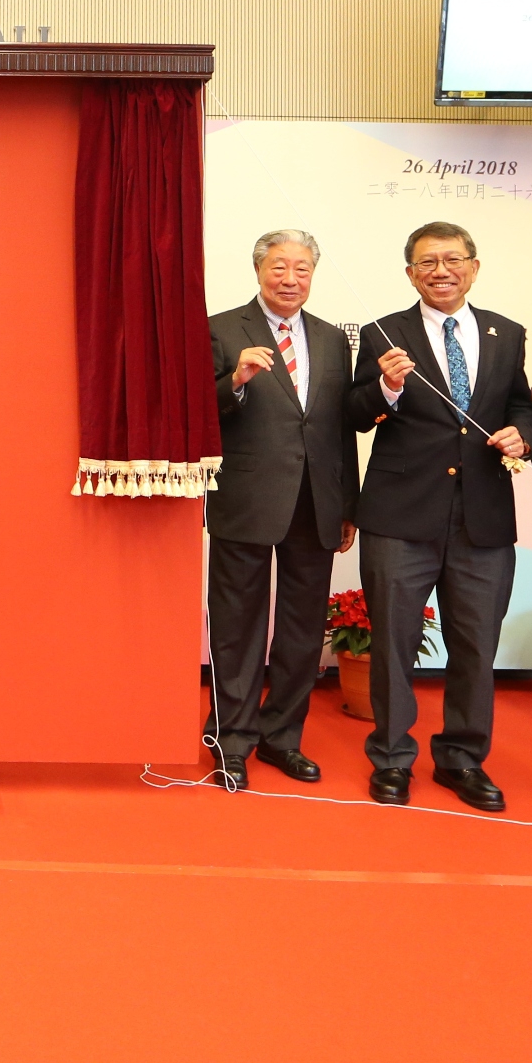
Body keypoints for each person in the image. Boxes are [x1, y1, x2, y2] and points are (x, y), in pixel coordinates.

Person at [346, 221, 532, 810]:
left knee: (476, 643)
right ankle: (393, 757)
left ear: (474, 267)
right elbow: (352, 412)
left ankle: (461, 758)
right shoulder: (384, 333)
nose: (441, 271)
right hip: (400, 516)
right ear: (410, 273)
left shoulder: (508, 333)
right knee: (395, 643)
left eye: (453, 259)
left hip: (482, 520)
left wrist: (521, 437)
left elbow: (521, 406)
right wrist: (387, 386)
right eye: (427, 262)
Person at [204, 230, 360, 790]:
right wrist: (236, 381)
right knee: (237, 626)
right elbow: (196, 410)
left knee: (299, 629)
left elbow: (341, 427)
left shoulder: (332, 338)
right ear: (258, 270)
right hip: (245, 498)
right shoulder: (221, 328)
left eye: (301, 269)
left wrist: (348, 504)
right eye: (279, 267)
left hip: (315, 501)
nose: (290, 278)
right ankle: (233, 738)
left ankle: (282, 737)